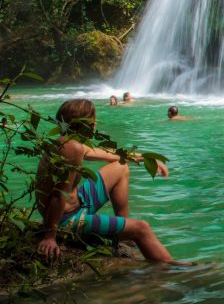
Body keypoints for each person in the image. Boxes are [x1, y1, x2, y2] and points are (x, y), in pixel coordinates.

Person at [36, 99, 173, 262]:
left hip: (77, 204)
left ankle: (124, 234)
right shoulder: (72, 149)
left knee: (121, 167)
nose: (95, 125)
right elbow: (59, 195)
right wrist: (50, 236)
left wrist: (145, 158)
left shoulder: (69, 142)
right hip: (67, 219)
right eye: (93, 121)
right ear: (87, 124)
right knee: (142, 228)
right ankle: (174, 269)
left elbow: (111, 155)